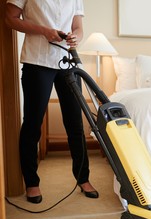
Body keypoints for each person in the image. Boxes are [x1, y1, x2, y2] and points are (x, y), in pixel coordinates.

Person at [5, 0, 99, 204]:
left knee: (75, 124)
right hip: (37, 62)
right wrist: (44, 31)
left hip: (67, 60)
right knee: (32, 123)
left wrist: (76, 38)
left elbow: (78, 27)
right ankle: (31, 183)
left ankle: (83, 178)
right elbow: (9, 18)